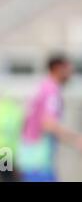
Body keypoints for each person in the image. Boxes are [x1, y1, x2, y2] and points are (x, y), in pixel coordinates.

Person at [17, 54, 82, 182]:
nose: (71, 74)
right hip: (38, 159)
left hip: (30, 155)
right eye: (68, 69)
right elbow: (48, 124)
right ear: (58, 68)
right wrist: (76, 138)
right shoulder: (51, 90)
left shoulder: (42, 86)